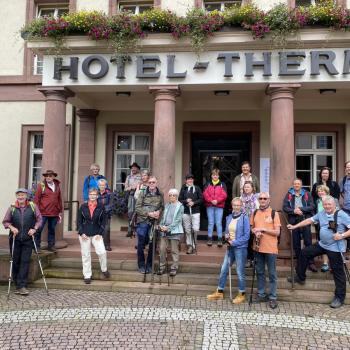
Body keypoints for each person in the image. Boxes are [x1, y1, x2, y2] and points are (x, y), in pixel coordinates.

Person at [287, 196, 350, 308]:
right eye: (325, 205)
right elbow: (309, 220)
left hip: (335, 248)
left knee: (338, 272)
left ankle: (339, 298)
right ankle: (300, 277)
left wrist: (342, 235)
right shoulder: (321, 213)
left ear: (334, 205)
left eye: (329, 204)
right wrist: (295, 226)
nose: (327, 206)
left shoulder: (341, 215)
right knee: (305, 253)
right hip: (322, 245)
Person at [207, 198, 250, 304]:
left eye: (238, 205)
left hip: (240, 248)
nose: (236, 207)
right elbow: (227, 231)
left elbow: (246, 236)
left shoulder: (245, 218)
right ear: (232, 205)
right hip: (230, 248)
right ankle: (220, 291)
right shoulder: (229, 217)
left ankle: (241, 294)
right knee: (224, 269)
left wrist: (234, 242)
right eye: (234, 205)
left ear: (241, 206)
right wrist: (226, 236)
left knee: (240, 271)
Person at [2, 188, 42, 295]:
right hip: (15, 239)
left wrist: (34, 229)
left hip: (28, 239)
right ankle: (17, 284)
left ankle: (22, 286)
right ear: (16, 196)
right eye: (19, 195)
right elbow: (5, 222)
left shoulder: (33, 207)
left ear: (26, 196)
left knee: (25, 261)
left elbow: (39, 219)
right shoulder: (12, 208)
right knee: (15, 261)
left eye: (23, 195)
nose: (21, 197)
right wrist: (11, 227)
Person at [251, 192, 281, 309]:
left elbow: (277, 232)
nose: (262, 200)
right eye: (261, 198)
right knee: (260, 272)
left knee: (272, 274)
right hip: (257, 247)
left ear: (269, 200)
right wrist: (255, 231)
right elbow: (252, 228)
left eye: (265, 198)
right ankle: (261, 294)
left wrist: (263, 229)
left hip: (271, 248)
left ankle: (273, 297)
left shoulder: (274, 213)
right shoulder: (255, 212)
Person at [282, 178, 317, 272]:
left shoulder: (307, 193)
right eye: (295, 184)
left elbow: (312, 206)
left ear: (301, 185)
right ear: (293, 185)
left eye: (298, 184)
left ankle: (311, 262)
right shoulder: (289, 194)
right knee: (296, 243)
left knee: (308, 241)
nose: (296, 185)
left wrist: (301, 209)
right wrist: (294, 211)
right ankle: (299, 262)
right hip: (294, 221)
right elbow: (284, 207)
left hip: (305, 219)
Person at [77, 188, 110, 284]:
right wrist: (81, 233)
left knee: (102, 252)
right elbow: (79, 221)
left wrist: (100, 233)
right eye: (90, 194)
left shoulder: (101, 206)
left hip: (97, 234)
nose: (92, 196)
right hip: (85, 234)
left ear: (97, 196)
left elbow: (104, 221)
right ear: (88, 195)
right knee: (86, 255)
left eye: (94, 194)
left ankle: (104, 269)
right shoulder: (83, 207)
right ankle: (87, 275)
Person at [135, 176, 164, 274]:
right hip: (143, 220)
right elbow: (137, 207)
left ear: (156, 183)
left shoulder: (160, 194)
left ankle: (149, 265)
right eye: (150, 182)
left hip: (154, 222)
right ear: (147, 183)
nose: (151, 184)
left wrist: (158, 213)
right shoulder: (142, 193)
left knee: (153, 243)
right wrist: (148, 213)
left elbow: (162, 207)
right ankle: (141, 265)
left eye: (153, 182)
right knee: (141, 242)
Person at [34, 169, 63, 252]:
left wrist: (60, 210)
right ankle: (36, 246)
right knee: (39, 229)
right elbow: (36, 199)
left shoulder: (57, 185)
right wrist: (37, 211)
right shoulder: (41, 185)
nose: (48, 177)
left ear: (53, 177)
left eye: (50, 176)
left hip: (54, 212)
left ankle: (51, 246)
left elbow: (59, 198)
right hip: (43, 212)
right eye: (46, 176)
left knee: (52, 230)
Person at [158, 189, 184, 276]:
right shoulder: (167, 205)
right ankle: (162, 267)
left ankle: (174, 268)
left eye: (174, 195)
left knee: (174, 251)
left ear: (177, 196)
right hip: (164, 231)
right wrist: (161, 225)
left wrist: (168, 228)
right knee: (162, 249)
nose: (172, 197)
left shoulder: (180, 206)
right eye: (170, 195)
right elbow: (163, 218)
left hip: (174, 231)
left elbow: (178, 220)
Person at [315, 185, 340, 272]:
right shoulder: (318, 201)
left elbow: (338, 212)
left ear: (326, 192)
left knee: (333, 245)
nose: (320, 192)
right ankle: (325, 263)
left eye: (322, 191)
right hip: (320, 226)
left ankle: (334, 265)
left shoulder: (334, 200)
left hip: (332, 226)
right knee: (324, 243)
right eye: (319, 191)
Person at [178, 174, 203, 254]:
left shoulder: (197, 188)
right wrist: (186, 201)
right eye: (188, 179)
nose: (190, 180)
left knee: (195, 229)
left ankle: (194, 244)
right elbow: (180, 199)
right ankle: (190, 246)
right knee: (187, 230)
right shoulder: (183, 188)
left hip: (195, 212)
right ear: (186, 180)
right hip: (186, 212)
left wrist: (193, 203)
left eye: (191, 179)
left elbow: (201, 199)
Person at [203, 169, 227, 247]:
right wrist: (211, 200)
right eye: (213, 175)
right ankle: (209, 238)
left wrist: (217, 200)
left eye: (216, 175)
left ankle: (219, 239)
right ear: (211, 176)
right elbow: (205, 194)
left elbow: (224, 195)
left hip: (219, 206)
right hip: (210, 206)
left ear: (218, 176)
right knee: (210, 222)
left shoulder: (222, 184)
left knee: (218, 223)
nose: (215, 176)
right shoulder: (208, 184)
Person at [240, 181, 259, 267]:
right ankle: (247, 259)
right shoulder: (241, 198)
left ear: (252, 189)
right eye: (245, 187)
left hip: (253, 223)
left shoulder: (256, 198)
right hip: (243, 223)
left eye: (248, 187)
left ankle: (254, 259)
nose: (246, 188)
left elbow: (258, 211)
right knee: (245, 242)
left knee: (253, 241)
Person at [125, 162, 142, 237]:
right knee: (130, 213)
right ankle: (130, 230)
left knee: (138, 213)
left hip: (139, 197)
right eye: (132, 168)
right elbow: (125, 188)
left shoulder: (141, 177)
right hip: (131, 196)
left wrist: (138, 187)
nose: (133, 169)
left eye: (135, 167)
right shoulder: (128, 177)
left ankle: (138, 230)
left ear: (138, 169)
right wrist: (131, 187)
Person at [97, 179, 113, 251]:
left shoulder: (109, 194)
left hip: (106, 214)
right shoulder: (96, 193)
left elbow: (111, 204)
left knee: (106, 229)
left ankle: (107, 245)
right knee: (99, 229)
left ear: (106, 186)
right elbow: (94, 203)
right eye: (100, 185)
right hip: (97, 214)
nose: (102, 186)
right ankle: (100, 244)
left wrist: (103, 210)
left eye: (103, 185)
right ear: (98, 186)